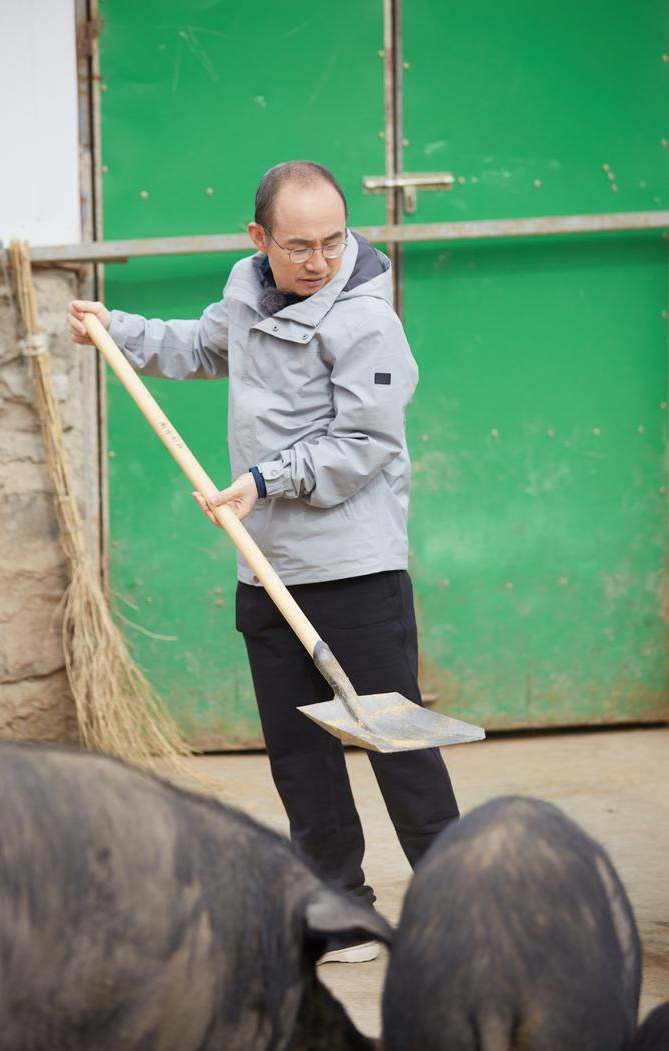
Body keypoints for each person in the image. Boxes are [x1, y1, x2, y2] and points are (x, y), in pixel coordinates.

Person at [68, 161, 459, 963]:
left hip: (353, 569)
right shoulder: (248, 294)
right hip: (266, 564)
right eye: (299, 245)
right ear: (260, 240)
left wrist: (263, 480)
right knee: (298, 752)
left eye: (334, 241)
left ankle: (465, 903)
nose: (319, 261)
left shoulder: (368, 322)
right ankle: (340, 907)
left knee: (398, 748)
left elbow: (362, 445)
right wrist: (119, 328)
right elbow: (202, 346)